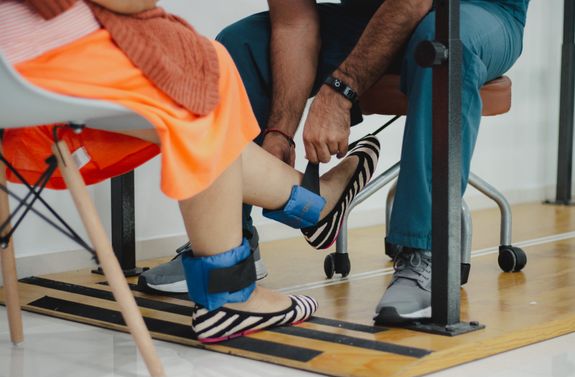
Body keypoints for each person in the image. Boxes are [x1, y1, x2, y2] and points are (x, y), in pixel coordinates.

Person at [0, 0, 380, 342]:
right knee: (207, 74)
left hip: (15, 70)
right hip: (43, 60)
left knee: (187, 90)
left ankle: (314, 206)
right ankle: (229, 299)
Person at [145, 0, 529, 324]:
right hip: (367, 18)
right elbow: (294, 21)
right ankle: (228, 249)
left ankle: (425, 252)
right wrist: (279, 131)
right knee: (239, 45)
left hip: (472, 10)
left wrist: (340, 90)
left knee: (443, 41)